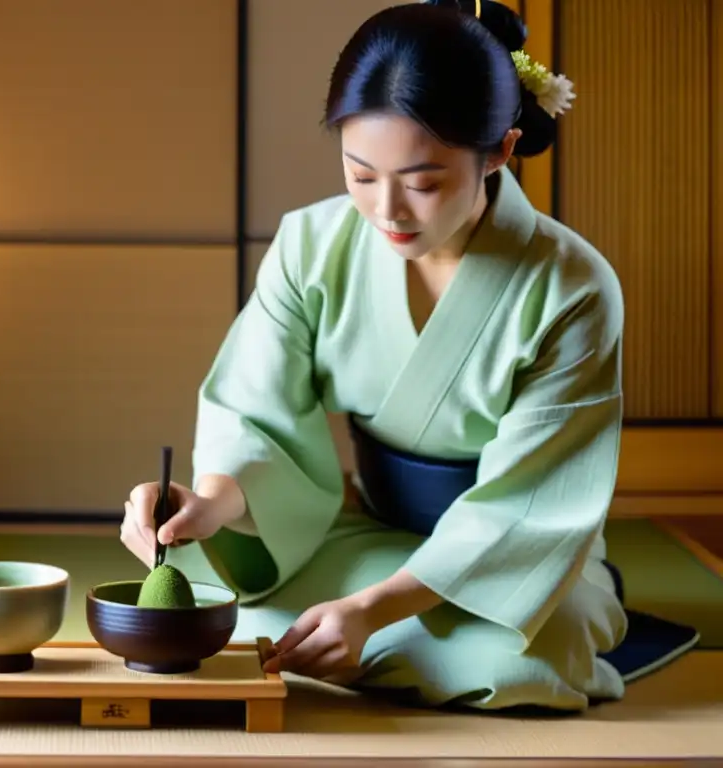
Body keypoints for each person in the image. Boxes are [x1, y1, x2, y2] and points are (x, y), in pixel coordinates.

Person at [120, 0, 697, 712]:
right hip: (364, 533)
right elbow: (254, 414)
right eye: (360, 175)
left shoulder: (571, 287)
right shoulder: (309, 247)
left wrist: (371, 612)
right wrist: (205, 503)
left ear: (500, 152)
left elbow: (529, 504)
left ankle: (358, 636)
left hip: (508, 560)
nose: (387, 211)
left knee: (532, 657)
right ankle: (351, 638)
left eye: (422, 183)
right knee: (234, 612)